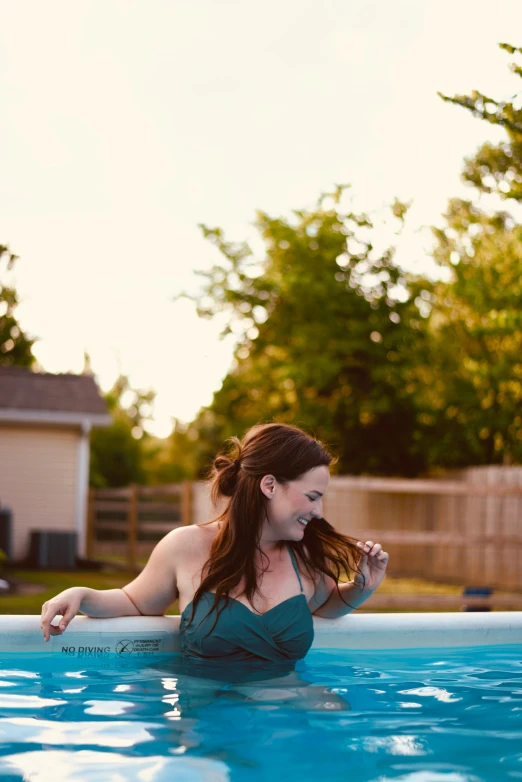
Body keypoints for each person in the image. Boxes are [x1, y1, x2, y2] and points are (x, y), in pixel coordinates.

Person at [40, 423, 388, 666]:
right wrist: (81, 594)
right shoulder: (185, 546)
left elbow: (326, 604)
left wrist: (361, 587)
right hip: (210, 734)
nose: (318, 511)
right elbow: (135, 601)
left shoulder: (304, 557)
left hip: (291, 726)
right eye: (312, 496)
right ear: (269, 486)